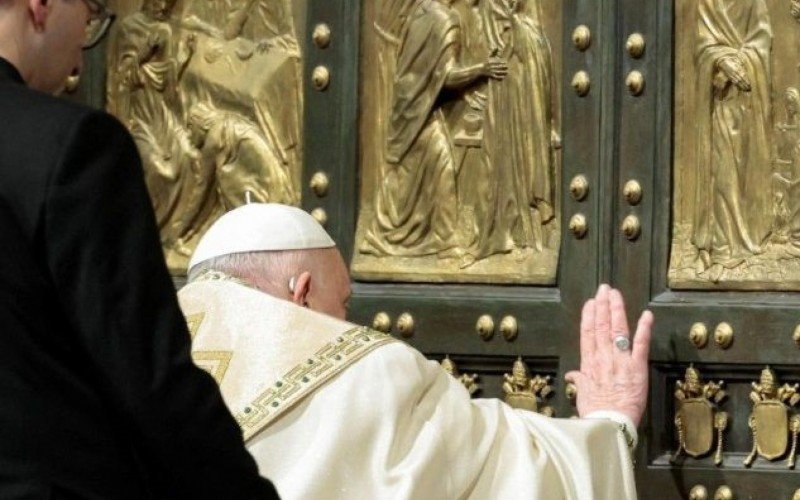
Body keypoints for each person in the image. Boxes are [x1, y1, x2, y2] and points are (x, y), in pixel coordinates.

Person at [181, 203, 654, 499]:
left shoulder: (139, 373)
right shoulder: (369, 374)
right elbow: (511, 473)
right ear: (301, 292)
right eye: (343, 303)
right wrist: (611, 421)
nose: (348, 325)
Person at [0, 1, 278, 498]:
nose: (81, 62)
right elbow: (151, 386)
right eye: (88, 14)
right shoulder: (69, 146)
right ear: (39, 5)